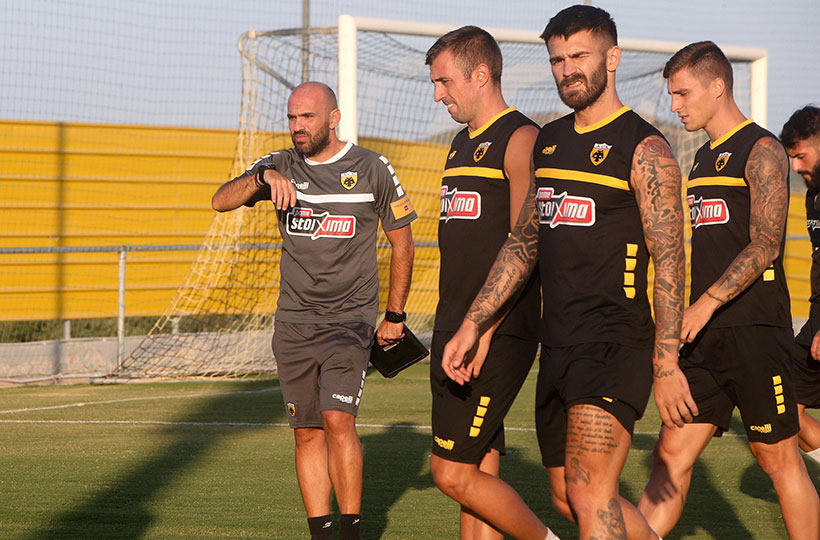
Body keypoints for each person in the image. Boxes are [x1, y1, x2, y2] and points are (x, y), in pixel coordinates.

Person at [443, 6, 690, 540]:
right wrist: (474, 323)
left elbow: (670, 261)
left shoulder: (645, 147)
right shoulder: (550, 140)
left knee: (588, 489)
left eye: (578, 56)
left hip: (613, 343)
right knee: (566, 495)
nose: (566, 69)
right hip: (556, 346)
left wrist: (667, 361)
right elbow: (523, 243)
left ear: (613, 58)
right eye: (557, 59)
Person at [211, 81, 417, 540]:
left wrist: (395, 315)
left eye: (307, 117)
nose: (297, 126)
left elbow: (402, 244)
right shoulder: (278, 165)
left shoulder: (371, 168)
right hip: (294, 324)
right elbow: (220, 200)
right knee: (306, 432)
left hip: (350, 320)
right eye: (292, 117)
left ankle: (351, 533)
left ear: (333, 118)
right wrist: (262, 179)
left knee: (337, 420)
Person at [637, 43, 820, 540]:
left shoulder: (762, 149)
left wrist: (705, 303)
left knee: (777, 459)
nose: (675, 104)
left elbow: (766, 244)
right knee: (670, 455)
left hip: (755, 332)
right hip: (704, 340)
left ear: (717, 87)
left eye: (683, 93)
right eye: (672, 95)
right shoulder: (701, 159)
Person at [425, 26, 559, 540]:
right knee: (476, 470)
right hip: (455, 323)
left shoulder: (522, 140)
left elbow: (527, 245)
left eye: (444, 81)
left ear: (481, 74)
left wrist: (484, 328)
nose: (438, 94)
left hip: (495, 330)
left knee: (449, 472)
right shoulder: (460, 142)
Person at [781, 105, 820, 464]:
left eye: (801, 156)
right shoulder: (813, 194)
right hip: (815, 321)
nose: (794, 167)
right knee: (778, 403)